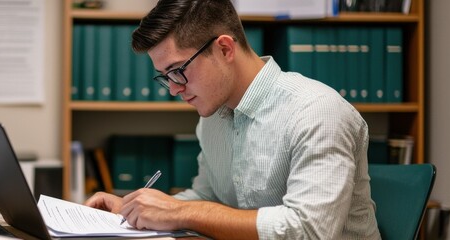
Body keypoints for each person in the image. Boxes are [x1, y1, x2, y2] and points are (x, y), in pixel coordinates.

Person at [84, 0, 381, 239]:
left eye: (178, 71)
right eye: (165, 77)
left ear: (224, 48)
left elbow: (309, 231)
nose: (173, 88)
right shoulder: (213, 115)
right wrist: (133, 208)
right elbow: (207, 195)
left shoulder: (318, 112)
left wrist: (177, 212)